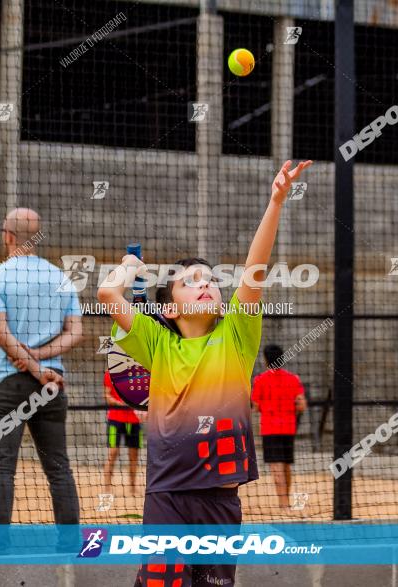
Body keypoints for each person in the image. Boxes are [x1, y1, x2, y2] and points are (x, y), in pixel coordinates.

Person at [98, 160, 312, 587]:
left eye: (210, 279)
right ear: (171, 308)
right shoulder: (158, 344)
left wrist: (276, 202)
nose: (205, 284)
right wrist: (127, 264)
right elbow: (107, 292)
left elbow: (255, 269)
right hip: (166, 495)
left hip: (220, 498)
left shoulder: (237, 335)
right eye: (190, 281)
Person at [0, 208, 83, 527]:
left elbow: (0, 332)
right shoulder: (60, 277)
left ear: (7, 236)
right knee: (59, 468)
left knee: (1, 469)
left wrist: (31, 363)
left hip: (7, 384)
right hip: (53, 385)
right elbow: (75, 332)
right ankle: (69, 546)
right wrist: (41, 360)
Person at [251, 344, 306, 508]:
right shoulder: (293, 378)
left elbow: (255, 406)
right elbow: (301, 404)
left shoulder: (260, 380)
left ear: (265, 359)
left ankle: (283, 503)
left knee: (276, 466)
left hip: (270, 428)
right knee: (286, 464)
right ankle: (286, 499)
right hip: (288, 427)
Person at [102, 369, 142, 495]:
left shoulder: (137, 372)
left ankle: (132, 487)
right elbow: (107, 396)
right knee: (112, 453)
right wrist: (121, 403)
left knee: (134, 455)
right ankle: (107, 488)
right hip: (115, 419)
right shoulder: (110, 373)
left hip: (134, 420)